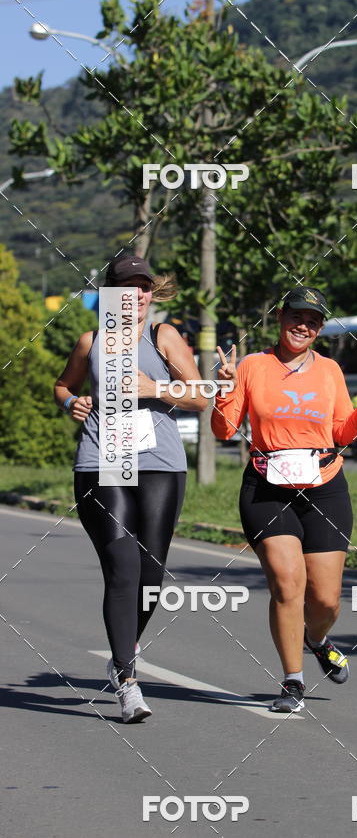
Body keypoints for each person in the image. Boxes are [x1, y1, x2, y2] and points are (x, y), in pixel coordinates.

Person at [211, 287, 357, 713]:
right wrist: (225, 389)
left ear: (320, 329)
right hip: (267, 488)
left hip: (324, 486)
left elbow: (341, 433)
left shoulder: (329, 370)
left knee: (326, 600)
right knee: (287, 583)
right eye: (296, 316)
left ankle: (318, 639)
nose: (303, 326)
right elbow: (224, 430)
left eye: (313, 321)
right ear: (280, 316)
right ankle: (293, 681)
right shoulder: (252, 366)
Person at [54, 255, 208, 723]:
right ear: (110, 295)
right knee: (123, 564)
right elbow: (63, 386)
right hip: (102, 460)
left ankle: (124, 646)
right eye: (127, 287)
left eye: (143, 287)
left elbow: (200, 397)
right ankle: (127, 679)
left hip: (161, 463)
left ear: (150, 293)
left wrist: (155, 388)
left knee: (150, 575)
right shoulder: (92, 341)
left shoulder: (163, 337)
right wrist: (71, 402)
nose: (136, 296)